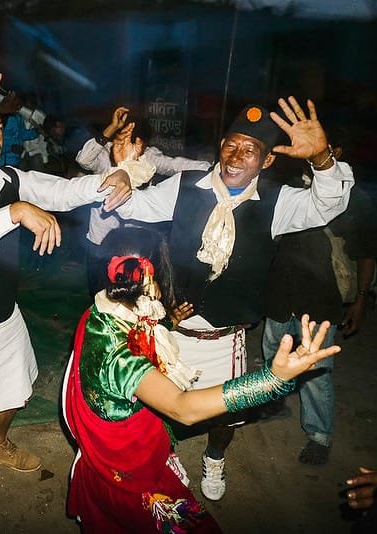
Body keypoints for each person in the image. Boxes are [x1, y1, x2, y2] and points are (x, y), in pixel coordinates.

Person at [112, 97, 354, 500]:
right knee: (158, 408)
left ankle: (214, 459)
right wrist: (122, 171)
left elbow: (328, 204)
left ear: (268, 161)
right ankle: (163, 459)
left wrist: (323, 160)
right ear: (220, 145)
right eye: (231, 145)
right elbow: (129, 206)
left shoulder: (279, 202)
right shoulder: (185, 187)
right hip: (172, 331)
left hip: (226, 337)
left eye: (250, 150)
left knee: (227, 412)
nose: (236, 157)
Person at [0, 63, 133, 473]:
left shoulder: (8, 177)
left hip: (6, 313)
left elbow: (66, 191)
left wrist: (116, 176)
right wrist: (14, 213)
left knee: (15, 391)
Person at [62, 227, 340, 533]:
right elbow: (183, 408)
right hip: (131, 473)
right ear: (150, 279)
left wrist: (168, 322)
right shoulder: (121, 355)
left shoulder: (100, 312)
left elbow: (141, 329)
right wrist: (272, 380)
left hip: (111, 459)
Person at [261, 164, 377, 465]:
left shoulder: (355, 199)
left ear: (337, 154)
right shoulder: (291, 185)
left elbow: (367, 253)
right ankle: (274, 404)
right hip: (279, 294)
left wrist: (360, 301)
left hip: (319, 301)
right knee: (272, 356)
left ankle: (319, 435)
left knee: (315, 371)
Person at [76, 105, 211, 296]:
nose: (123, 143)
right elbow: (83, 159)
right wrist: (111, 128)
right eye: (120, 136)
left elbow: (175, 165)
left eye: (131, 140)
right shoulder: (104, 153)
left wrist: (214, 169)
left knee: (133, 296)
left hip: (134, 244)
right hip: (100, 239)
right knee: (98, 292)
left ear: (142, 144)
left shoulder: (148, 157)